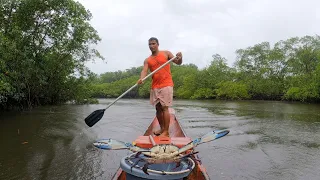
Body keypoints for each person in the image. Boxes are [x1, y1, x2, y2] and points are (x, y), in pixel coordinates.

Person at [137, 37, 182, 137]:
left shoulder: (166, 53)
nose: (151, 46)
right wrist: (142, 79)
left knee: (165, 108)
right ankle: (162, 129)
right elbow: (144, 71)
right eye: (150, 44)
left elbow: (178, 62)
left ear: (158, 44)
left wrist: (180, 57)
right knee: (158, 108)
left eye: (153, 44)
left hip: (166, 84)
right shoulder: (147, 60)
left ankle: (166, 132)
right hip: (155, 86)